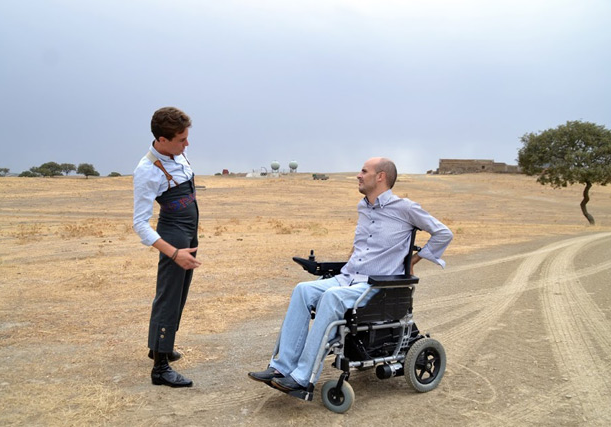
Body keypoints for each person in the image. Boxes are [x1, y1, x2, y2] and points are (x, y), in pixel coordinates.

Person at [248, 157, 453, 395]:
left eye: (364, 171)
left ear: (380, 177)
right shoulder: (363, 206)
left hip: (377, 287)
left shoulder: (405, 208)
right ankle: (281, 368)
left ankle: (302, 377)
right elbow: (361, 246)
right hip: (349, 278)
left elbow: (443, 233)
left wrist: (413, 261)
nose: (358, 175)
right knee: (302, 290)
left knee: (332, 298)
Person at [133, 107, 202, 388]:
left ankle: (160, 346)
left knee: (180, 293)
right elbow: (140, 224)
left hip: (188, 233)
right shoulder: (147, 171)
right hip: (173, 236)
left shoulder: (176, 153)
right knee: (168, 296)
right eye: (181, 139)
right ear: (162, 140)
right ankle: (160, 368)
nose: (187, 144)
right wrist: (173, 252)